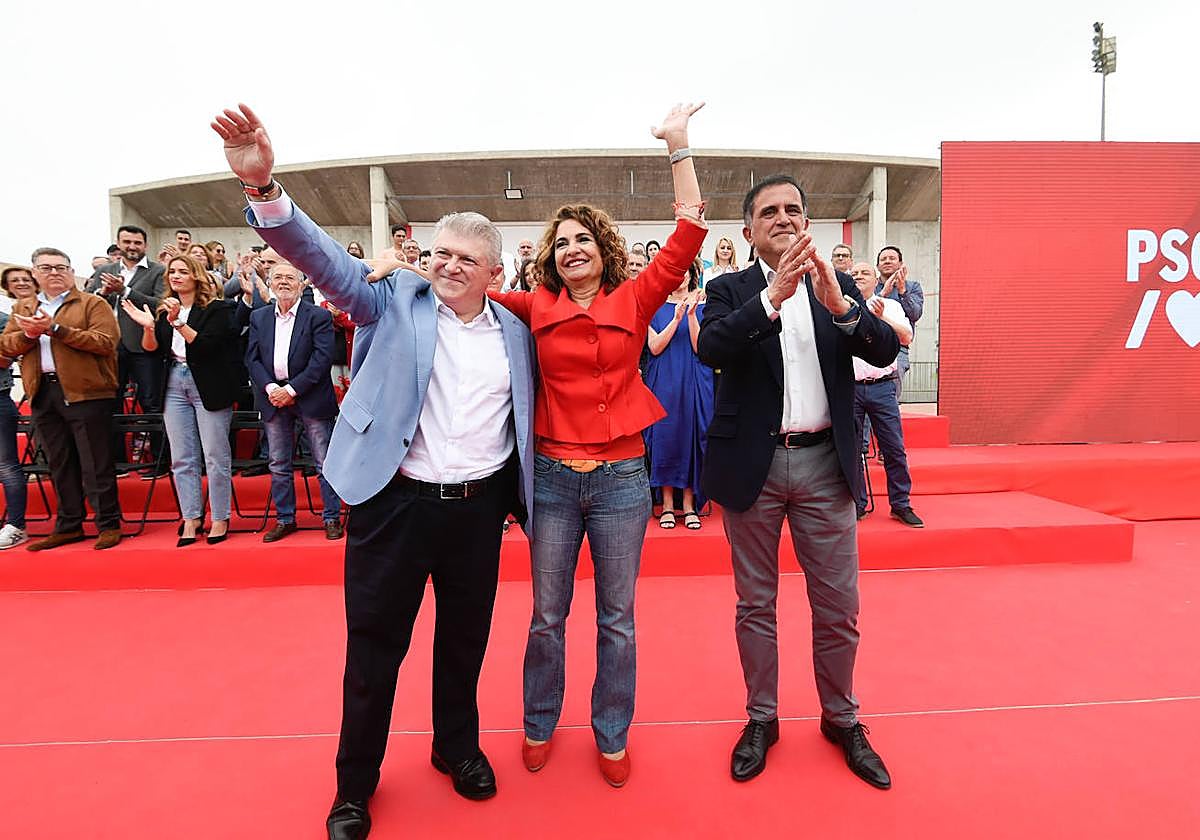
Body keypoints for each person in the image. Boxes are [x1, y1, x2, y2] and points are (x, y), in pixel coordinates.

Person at [212, 102, 537, 839]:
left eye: (466, 258)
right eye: (439, 252)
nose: (449, 265)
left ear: (495, 270)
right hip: (395, 504)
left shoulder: (516, 331)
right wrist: (265, 189)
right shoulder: (391, 298)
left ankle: (456, 749)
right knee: (373, 652)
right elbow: (323, 258)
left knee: (465, 641)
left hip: (478, 510)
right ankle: (354, 786)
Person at [487, 102, 706, 788]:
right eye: (562, 242)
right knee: (547, 617)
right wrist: (393, 269)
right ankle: (538, 722)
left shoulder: (638, 297)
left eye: (584, 239)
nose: (572, 249)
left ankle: (612, 732)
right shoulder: (532, 306)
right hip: (552, 481)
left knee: (618, 620)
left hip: (619, 482)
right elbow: (460, 292)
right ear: (549, 256)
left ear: (602, 248)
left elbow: (691, 229)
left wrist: (677, 146)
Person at [697, 174, 899, 790]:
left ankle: (841, 718)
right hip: (752, 469)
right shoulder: (728, 288)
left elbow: (885, 349)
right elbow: (711, 347)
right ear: (748, 230)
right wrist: (771, 298)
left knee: (838, 606)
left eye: (793, 210)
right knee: (755, 604)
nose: (782, 219)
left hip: (824, 466)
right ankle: (762, 718)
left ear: (806, 221)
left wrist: (840, 306)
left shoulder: (832, 287)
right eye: (769, 212)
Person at [0, 248, 123, 551]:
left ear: (70, 271)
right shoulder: (24, 307)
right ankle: (69, 524)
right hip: (43, 391)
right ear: (35, 273)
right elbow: (5, 345)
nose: (54, 272)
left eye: (61, 267)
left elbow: (105, 342)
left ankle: (108, 523)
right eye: (46, 268)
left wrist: (55, 329)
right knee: (59, 461)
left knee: (96, 462)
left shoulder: (92, 303)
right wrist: (29, 334)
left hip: (87, 391)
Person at [122, 254, 242, 545]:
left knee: (215, 455)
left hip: (208, 384)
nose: (175, 276)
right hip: (174, 381)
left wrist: (178, 323)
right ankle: (191, 517)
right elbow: (152, 350)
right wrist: (150, 327)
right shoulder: (164, 310)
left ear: (196, 276)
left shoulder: (218, 308)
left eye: (182, 271)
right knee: (182, 457)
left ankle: (220, 517)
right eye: (172, 272)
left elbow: (206, 347)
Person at [243, 261, 344, 542]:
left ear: (302, 284)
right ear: (270, 283)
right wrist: (272, 387)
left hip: (309, 397)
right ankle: (285, 518)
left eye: (290, 277)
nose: (284, 282)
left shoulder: (318, 317)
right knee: (278, 463)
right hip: (273, 398)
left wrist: (292, 390)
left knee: (324, 463)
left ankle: (331, 517)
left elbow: (322, 359)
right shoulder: (259, 317)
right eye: (278, 277)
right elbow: (251, 358)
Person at [86, 224, 168, 477]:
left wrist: (126, 291)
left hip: (145, 346)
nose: (132, 247)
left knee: (151, 403)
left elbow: (161, 303)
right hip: (110, 348)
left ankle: (158, 463)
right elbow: (87, 303)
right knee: (112, 403)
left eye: (137, 243)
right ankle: (119, 461)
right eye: (127, 242)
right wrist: (104, 291)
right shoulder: (104, 271)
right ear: (119, 244)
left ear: (145, 245)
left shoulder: (158, 271)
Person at [848, 263, 921, 527]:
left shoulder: (890, 306)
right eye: (853, 274)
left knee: (893, 447)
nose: (858, 277)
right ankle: (857, 503)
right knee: (852, 449)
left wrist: (882, 319)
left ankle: (901, 504)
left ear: (875, 279)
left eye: (864, 273)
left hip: (882, 386)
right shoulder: (843, 306)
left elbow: (906, 337)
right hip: (851, 387)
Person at [644, 266, 712, 531]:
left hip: (692, 379)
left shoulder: (703, 306)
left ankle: (689, 505)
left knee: (690, 437)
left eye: (685, 271)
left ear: (692, 274)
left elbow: (700, 348)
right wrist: (675, 319)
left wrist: (692, 315)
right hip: (664, 381)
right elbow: (655, 347)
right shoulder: (654, 307)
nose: (680, 276)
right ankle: (668, 505)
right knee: (665, 438)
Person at [0, 267, 36, 549]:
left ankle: (16, 524)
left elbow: (7, 355)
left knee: (7, 465)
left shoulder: (4, 320)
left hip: (3, 397)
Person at [875, 245, 924, 399]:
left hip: (899, 348)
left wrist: (902, 291)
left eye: (892, 258)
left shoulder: (912, 287)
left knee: (890, 399)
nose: (887, 261)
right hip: (871, 347)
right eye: (883, 259)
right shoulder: (872, 286)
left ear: (901, 264)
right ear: (877, 266)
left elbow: (915, 314)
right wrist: (882, 294)